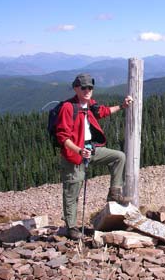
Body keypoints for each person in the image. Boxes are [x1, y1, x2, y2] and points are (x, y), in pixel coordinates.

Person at [56, 73, 133, 240]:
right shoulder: (68, 107)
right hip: (73, 155)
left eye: (90, 87)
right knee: (72, 191)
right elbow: (63, 137)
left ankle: (114, 193)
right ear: (76, 88)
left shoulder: (90, 104)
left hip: (90, 150)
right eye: (83, 87)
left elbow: (103, 111)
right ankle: (71, 228)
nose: (87, 90)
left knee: (118, 157)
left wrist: (122, 106)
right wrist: (78, 150)